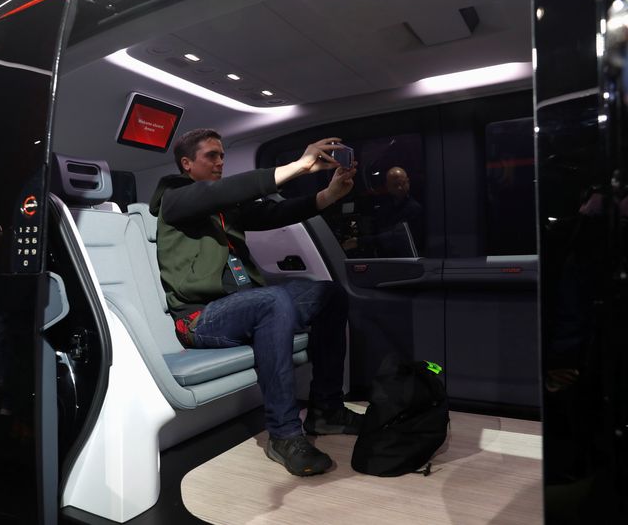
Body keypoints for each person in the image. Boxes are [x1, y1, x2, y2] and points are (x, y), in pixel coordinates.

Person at [149, 128, 362, 476]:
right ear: (187, 163)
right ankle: (283, 435)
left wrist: (328, 195)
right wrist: (297, 166)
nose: (220, 162)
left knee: (329, 293)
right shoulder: (174, 199)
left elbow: (274, 215)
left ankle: (326, 411)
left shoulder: (225, 210)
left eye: (222, 155)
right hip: (200, 318)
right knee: (272, 299)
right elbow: (225, 190)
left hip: (243, 305)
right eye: (211, 156)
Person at [373, 166, 423, 254]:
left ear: (408, 182)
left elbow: (396, 237)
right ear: (387, 186)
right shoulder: (384, 208)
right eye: (395, 185)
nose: (400, 188)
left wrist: (362, 241)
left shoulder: (414, 208)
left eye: (402, 183)